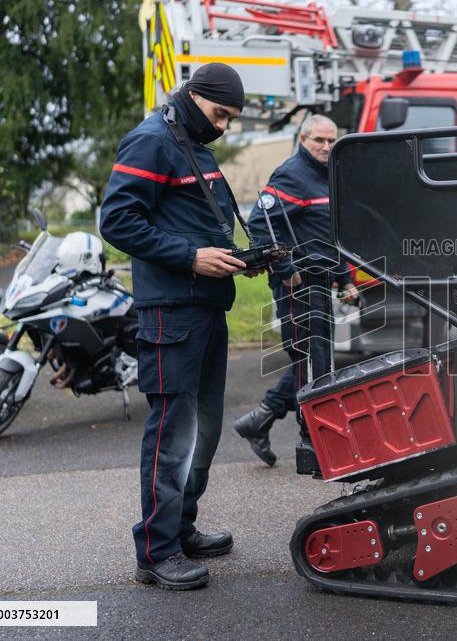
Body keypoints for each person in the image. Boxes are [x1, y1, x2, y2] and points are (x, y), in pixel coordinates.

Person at [100, 63, 254, 589]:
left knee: (204, 430)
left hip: (206, 306)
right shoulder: (151, 141)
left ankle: (180, 528)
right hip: (172, 312)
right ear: (194, 97)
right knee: (173, 433)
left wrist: (240, 257)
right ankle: (156, 551)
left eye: (231, 119)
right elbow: (117, 221)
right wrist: (191, 257)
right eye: (220, 115)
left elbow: (193, 218)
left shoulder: (189, 139)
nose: (224, 127)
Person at [232, 114, 358, 466]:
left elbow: (331, 235)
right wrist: (285, 269)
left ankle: (261, 420)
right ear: (303, 139)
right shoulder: (292, 174)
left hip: (321, 280)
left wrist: (345, 278)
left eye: (331, 140)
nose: (326, 146)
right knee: (312, 364)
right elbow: (260, 224)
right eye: (319, 139)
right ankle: (311, 444)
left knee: (316, 360)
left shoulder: (328, 177)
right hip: (297, 283)